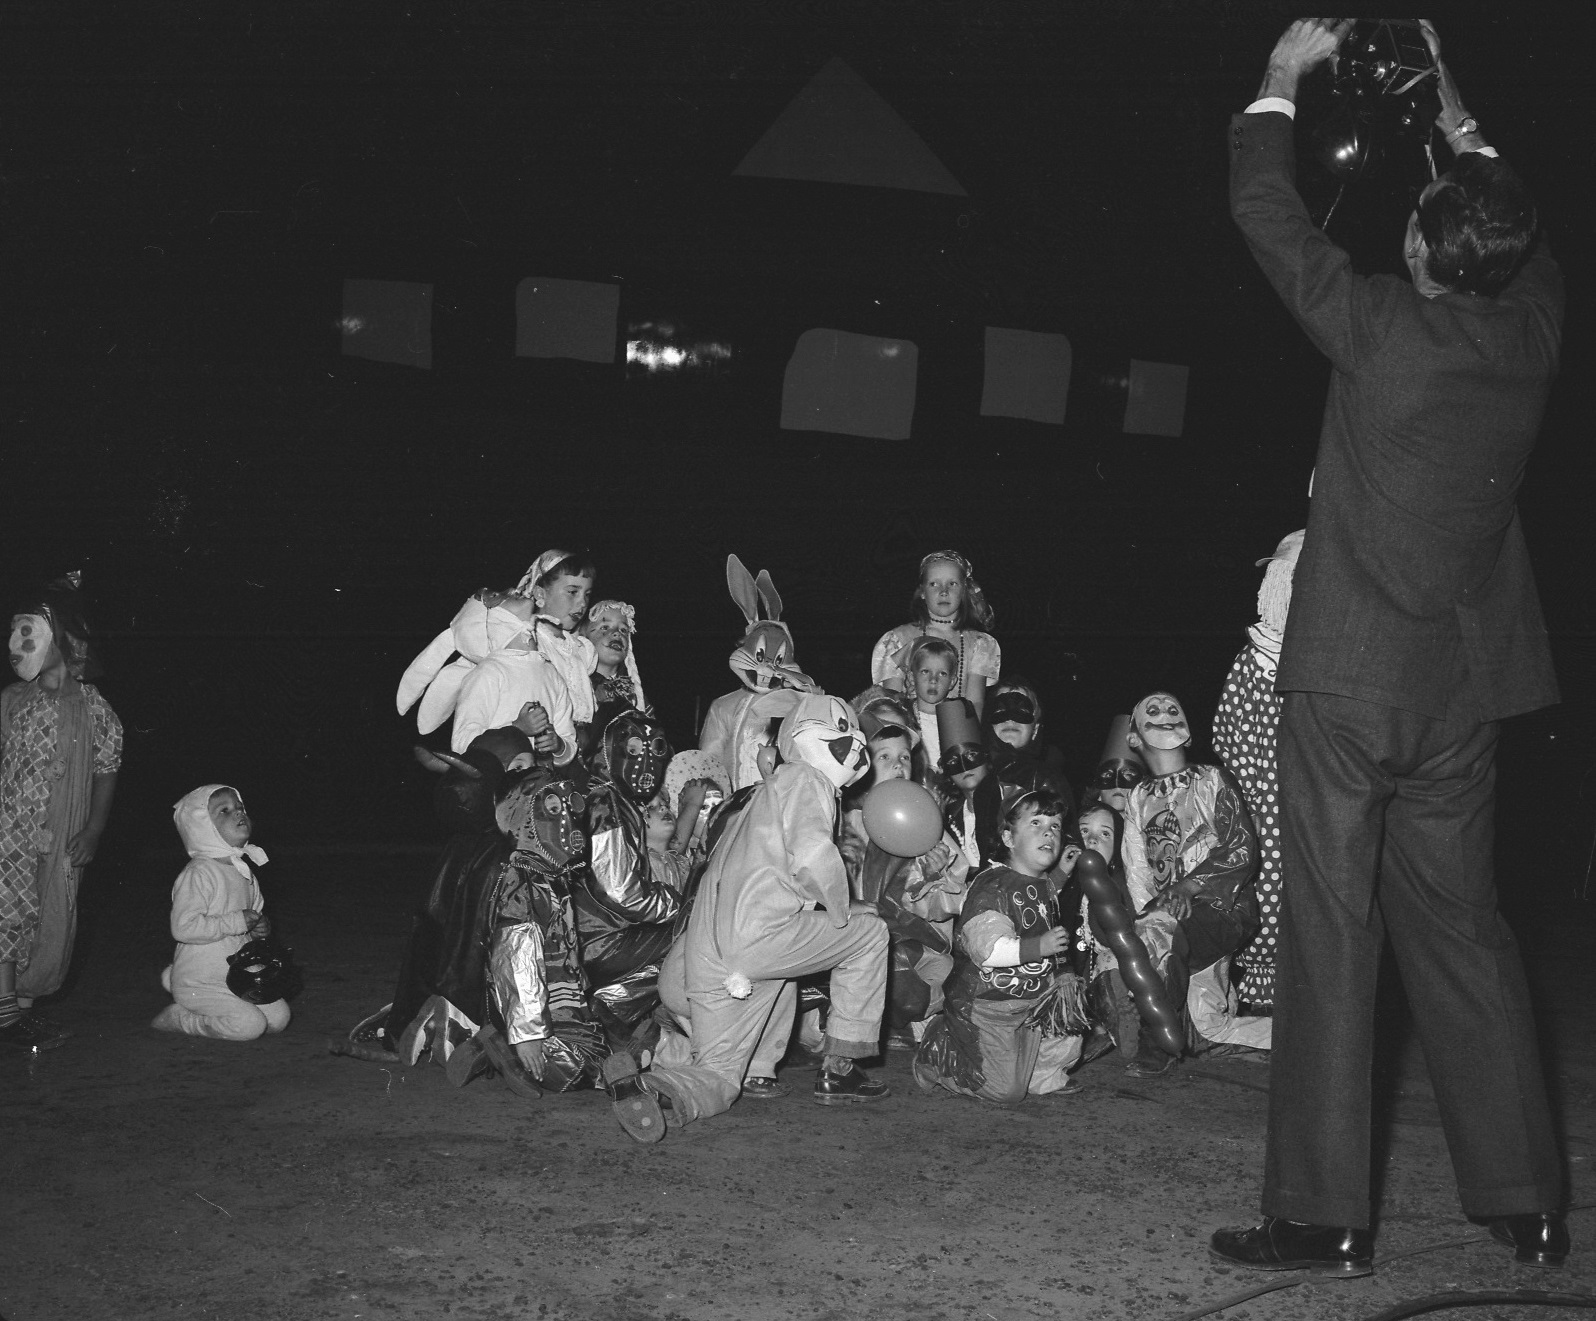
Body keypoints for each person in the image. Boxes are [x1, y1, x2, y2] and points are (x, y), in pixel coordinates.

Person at [1212, 19, 1566, 1275]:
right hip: (1463, 700)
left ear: (1419, 251)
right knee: (1465, 931)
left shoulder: (1378, 325)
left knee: (1332, 931)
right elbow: (1513, 224)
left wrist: (1278, 82)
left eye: (1421, 213)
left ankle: (1323, 1216)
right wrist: (1453, 107)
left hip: (1352, 685)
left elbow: (1267, 213)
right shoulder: (1534, 333)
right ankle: (1523, 1199)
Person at [603, 694, 887, 1142]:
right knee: (870, 934)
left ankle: (662, 1067)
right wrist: (842, 906)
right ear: (801, 737)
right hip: (751, 944)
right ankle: (841, 1066)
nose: (854, 743)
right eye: (841, 730)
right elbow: (813, 854)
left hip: (701, 955)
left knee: (776, 978)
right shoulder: (807, 780)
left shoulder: (761, 794)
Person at [1, 578, 121, 1052]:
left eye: (29, 632)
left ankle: (21, 1011)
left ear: (66, 638)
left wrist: (94, 828)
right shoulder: (11, 701)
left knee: (50, 919)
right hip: (8, 833)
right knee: (6, 913)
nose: (17, 645)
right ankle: (6, 1012)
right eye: (12, 633)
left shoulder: (95, 710)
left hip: (58, 836)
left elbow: (106, 769)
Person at [1120, 692, 1268, 1076]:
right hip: (1172, 920)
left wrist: (1189, 887)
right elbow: (1136, 864)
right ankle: (1300, 1033)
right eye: (1152, 711)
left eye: (1174, 710)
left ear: (1187, 735)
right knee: (1208, 1031)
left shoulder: (1212, 779)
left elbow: (1241, 846)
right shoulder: (1138, 796)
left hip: (1223, 908)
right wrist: (1144, 919)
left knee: (1160, 935)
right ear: (1134, 738)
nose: (1166, 715)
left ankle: (1154, 1046)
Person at [912, 787, 1085, 1104]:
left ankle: (1040, 1077)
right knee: (1005, 1092)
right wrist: (1038, 947)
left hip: (1032, 999)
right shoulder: (992, 886)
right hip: (988, 1005)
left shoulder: (1040, 881)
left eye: (1055, 826)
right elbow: (987, 950)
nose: (1048, 832)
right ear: (1008, 838)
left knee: (1067, 1018)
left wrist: (1060, 875)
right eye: (1036, 823)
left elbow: (1036, 905)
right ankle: (938, 1050)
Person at [1211, 531, 1304, 1009]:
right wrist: (1252, 785)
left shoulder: (1319, 658)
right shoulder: (1254, 661)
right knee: (1263, 880)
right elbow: (1228, 730)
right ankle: (1254, 990)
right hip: (1260, 793)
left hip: (1310, 791)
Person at [152, 786, 290, 1041]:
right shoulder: (199, 873)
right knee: (249, 1026)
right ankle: (181, 1018)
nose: (238, 812)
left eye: (240, 807)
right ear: (200, 826)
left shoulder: (243, 869)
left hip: (237, 975)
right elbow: (184, 927)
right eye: (224, 810)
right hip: (201, 980)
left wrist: (260, 927)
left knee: (279, 1019)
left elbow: (254, 916)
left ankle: (176, 983)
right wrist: (236, 921)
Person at [871, 551, 1001, 718]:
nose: (944, 591)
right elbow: (890, 704)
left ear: (964, 591)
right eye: (934, 584)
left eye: (952, 584)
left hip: (957, 734)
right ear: (922, 591)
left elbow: (974, 704)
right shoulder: (898, 639)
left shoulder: (978, 644)